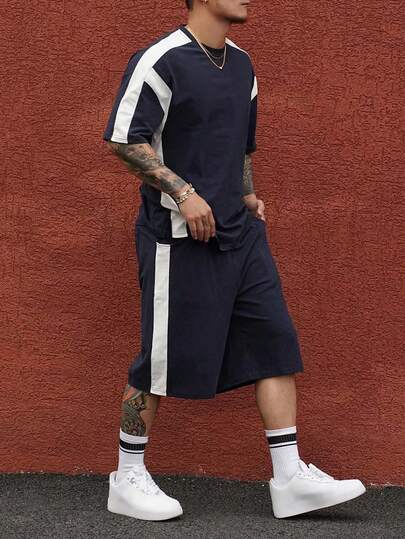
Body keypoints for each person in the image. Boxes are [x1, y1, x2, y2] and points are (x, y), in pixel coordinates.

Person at [102, 0, 366, 521]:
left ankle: (289, 478)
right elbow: (124, 140)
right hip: (178, 237)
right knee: (160, 360)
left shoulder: (242, 64)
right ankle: (126, 478)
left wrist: (246, 195)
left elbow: (242, 147)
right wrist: (183, 193)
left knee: (274, 342)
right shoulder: (161, 59)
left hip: (240, 234)